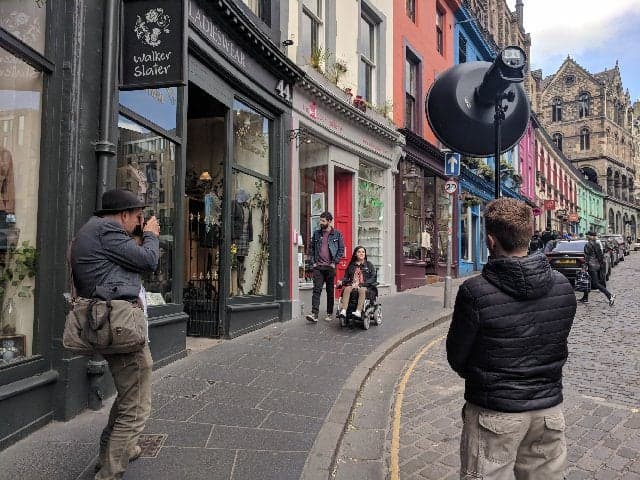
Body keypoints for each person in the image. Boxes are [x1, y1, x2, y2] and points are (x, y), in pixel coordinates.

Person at [446, 198, 576, 479]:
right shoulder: (563, 287)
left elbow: (457, 358)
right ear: (529, 235)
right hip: (548, 412)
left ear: (490, 241)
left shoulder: (475, 291)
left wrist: (487, 376)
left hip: (494, 414)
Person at [70, 189, 160, 480]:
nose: (138, 222)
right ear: (123, 215)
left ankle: (115, 451)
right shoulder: (107, 230)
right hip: (118, 326)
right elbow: (148, 260)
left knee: (128, 394)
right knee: (136, 404)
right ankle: (110, 472)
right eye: (137, 217)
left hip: (110, 324)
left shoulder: (94, 231)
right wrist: (151, 235)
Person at [306, 211, 345, 323]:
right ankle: (314, 314)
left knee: (329, 291)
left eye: (323, 221)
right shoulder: (317, 233)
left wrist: (334, 262)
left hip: (330, 267)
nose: (321, 223)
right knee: (316, 290)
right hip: (318, 267)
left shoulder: (337, 234)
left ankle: (329, 313)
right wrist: (313, 262)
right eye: (320, 220)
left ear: (329, 221)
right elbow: (311, 248)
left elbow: (341, 250)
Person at [336, 246, 377, 319]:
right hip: (353, 285)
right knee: (347, 288)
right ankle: (344, 310)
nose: (361, 253)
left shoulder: (369, 265)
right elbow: (346, 277)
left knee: (361, 289)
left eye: (363, 252)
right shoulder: (351, 266)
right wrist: (341, 281)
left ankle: (358, 311)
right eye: (359, 252)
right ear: (355, 254)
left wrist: (361, 284)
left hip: (365, 286)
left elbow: (373, 277)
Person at [580, 231, 615, 306]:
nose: (587, 236)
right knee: (588, 280)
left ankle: (610, 296)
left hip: (591, 266)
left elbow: (587, 257)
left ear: (591, 236)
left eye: (588, 235)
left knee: (595, 283)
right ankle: (585, 298)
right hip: (597, 266)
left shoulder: (588, 244)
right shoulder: (597, 244)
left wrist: (584, 267)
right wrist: (601, 265)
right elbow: (600, 256)